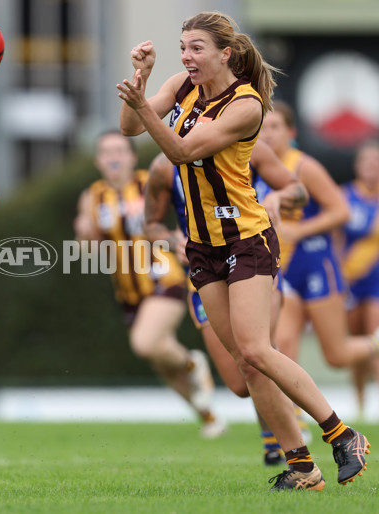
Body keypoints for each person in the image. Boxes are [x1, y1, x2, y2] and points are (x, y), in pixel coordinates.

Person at [116, 11, 370, 491]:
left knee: (257, 348)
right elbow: (130, 127)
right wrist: (142, 80)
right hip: (202, 245)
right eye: (183, 47)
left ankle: (342, 434)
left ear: (224, 53)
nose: (186, 57)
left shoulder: (246, 105)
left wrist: (146, 108)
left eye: (196, 48)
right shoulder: (180, 85)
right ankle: (302, 467)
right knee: (244, 365)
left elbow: (182, 151)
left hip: (246, 238)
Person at [144, 140, 311, 466]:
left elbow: (298, 190)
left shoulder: (251, 149)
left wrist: (279, 196)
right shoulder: (164, 167)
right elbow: (150, 224)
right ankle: (280, 434)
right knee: (239, 383)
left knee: (260, 354)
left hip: (254, 264)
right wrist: (173, 239)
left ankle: (296, 442)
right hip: (206, 275)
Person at [74, 129, 226, 438]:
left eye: (119, 151)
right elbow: (88, 252)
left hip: (163, 276)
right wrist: (83, 235)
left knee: (145, 343)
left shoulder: (149, 181)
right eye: (107, 152)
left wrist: (181, 242)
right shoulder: (92, 197)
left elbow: (180, 215)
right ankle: (209, 417)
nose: (113, 157)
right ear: (98, 161)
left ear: (131, 157)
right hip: (129, 290)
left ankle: (193, 362)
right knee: (162, 364)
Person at [259, 103, 379, 372]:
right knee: (283, 346)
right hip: (282, 267)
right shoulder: (253, 166)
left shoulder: (304, 166)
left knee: (336, 357)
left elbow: (341, 211)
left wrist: (299, 231)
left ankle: (375, 343)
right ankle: (294, 414)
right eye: (262, 128)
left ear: (291, 132)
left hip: (316, 263)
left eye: (275, 127)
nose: (267, 134)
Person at [335, 139, 379, 419]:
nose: (371, 168)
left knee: (375, 340)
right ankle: (360, 401)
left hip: (377, 280)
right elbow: (335, 238)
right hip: (350, 279)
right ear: (357, 166)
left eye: (376, 163)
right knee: (356, 344)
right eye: (366, 162)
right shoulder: (343, 196)